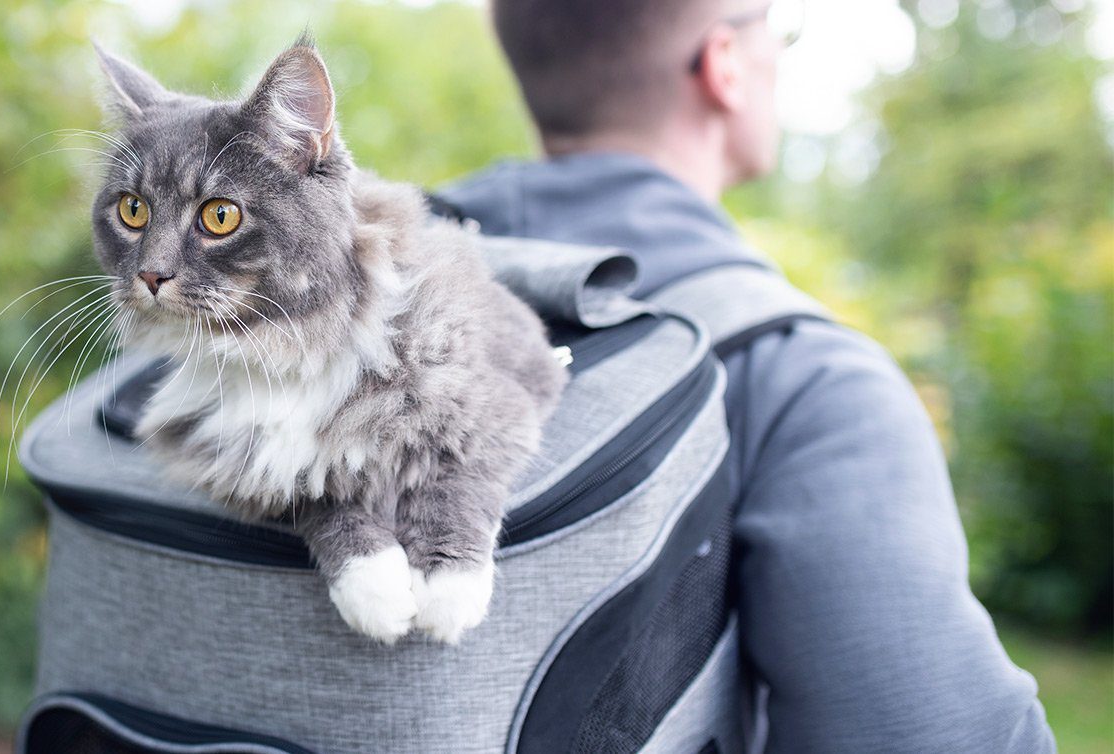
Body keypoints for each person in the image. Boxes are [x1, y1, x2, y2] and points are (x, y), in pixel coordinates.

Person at [436, 0, 1058, 750]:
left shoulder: (332, 301)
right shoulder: (804, 380)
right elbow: (919, 729)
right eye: (779, 28)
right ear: (723, 62)